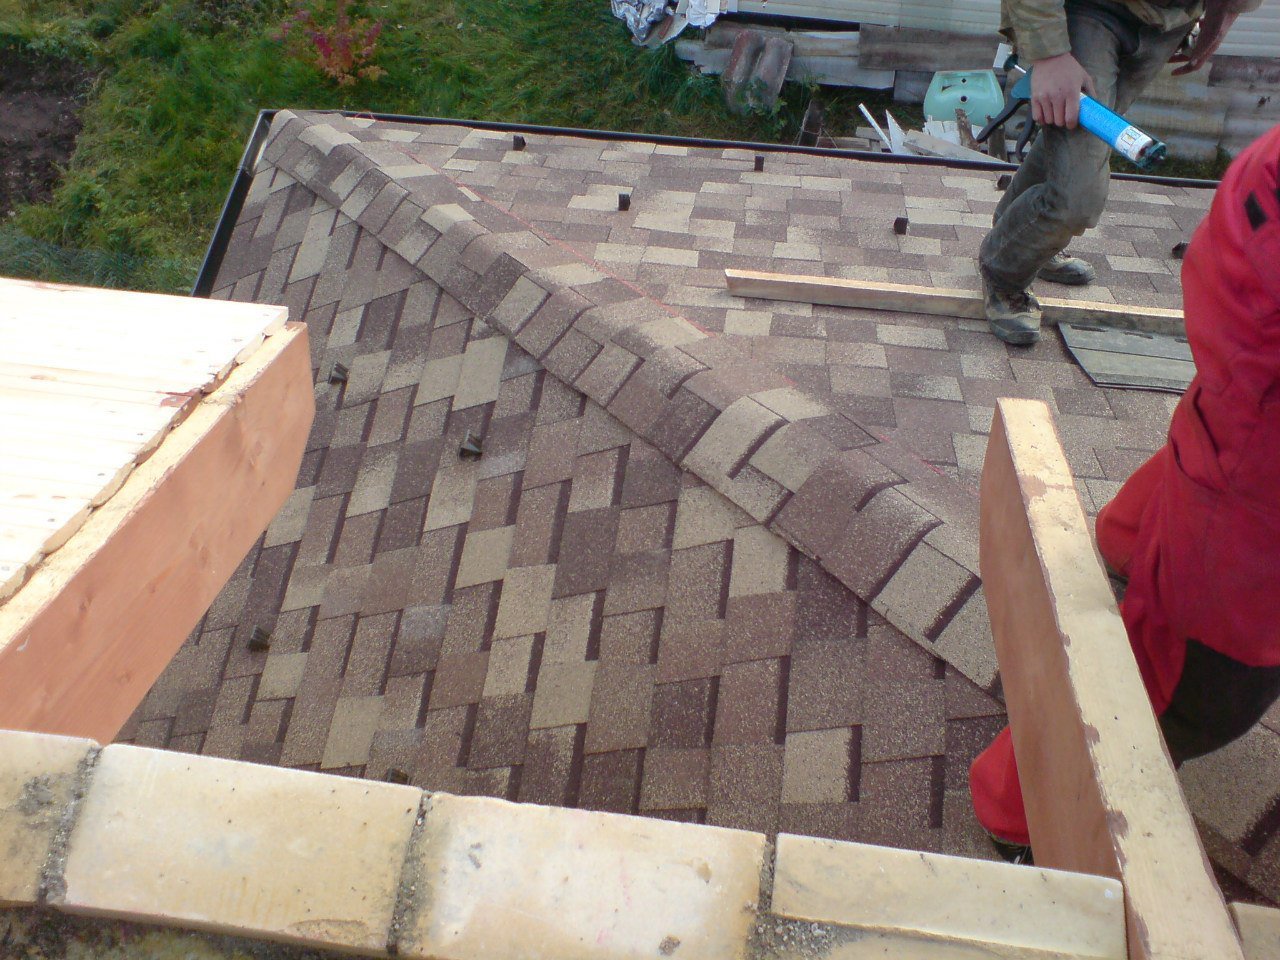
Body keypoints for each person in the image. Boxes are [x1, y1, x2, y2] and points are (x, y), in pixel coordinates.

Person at [970, 121, 1280, 863]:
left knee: (1221, 443)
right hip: (1263, 420)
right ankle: (1021, 811)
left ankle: (1130, 544)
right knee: (1192, 679)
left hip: (1254, 315)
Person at [980, 0, 1259, 345]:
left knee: (1074, 127)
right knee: (1077, 199)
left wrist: (1224, 12)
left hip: (1168, 22)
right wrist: (1049, 54)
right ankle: (1002, 271)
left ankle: (1019, 237)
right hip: (1090, 11)